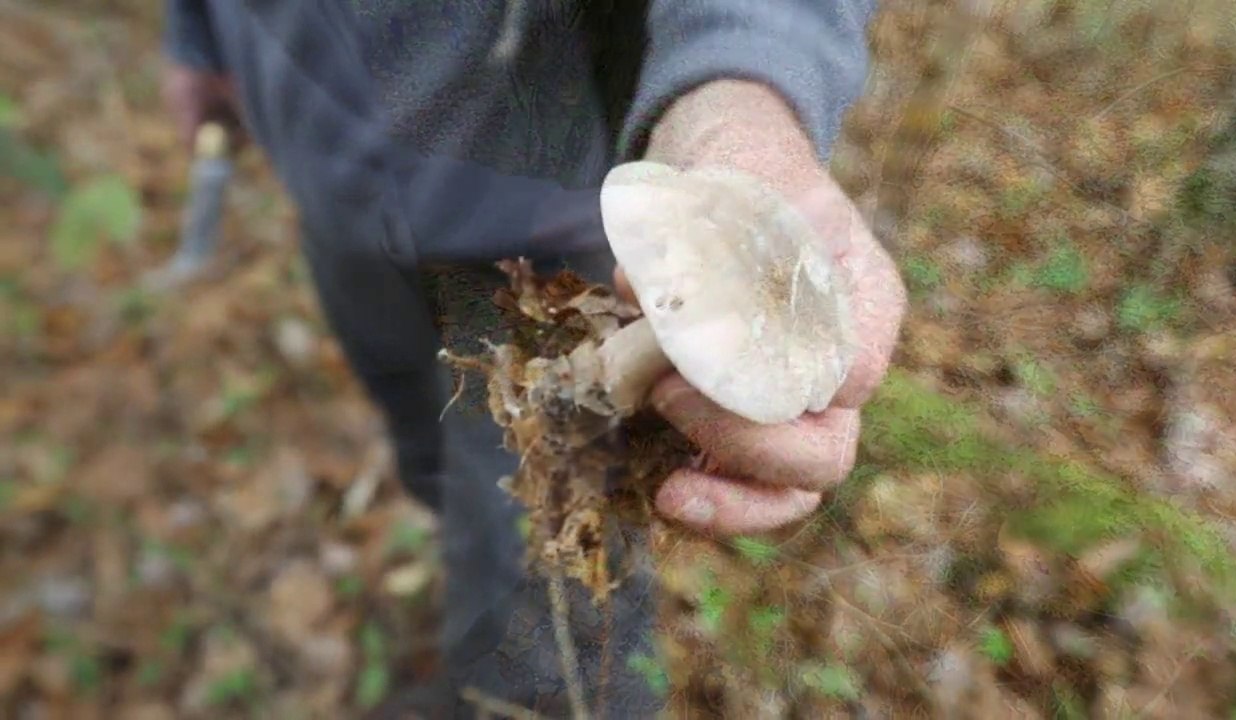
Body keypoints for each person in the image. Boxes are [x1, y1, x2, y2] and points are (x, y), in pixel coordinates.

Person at [162, 1, 905, 716]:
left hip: (535, 236)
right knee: (439, 457)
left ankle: (555, 694)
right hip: (340, 209)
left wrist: (737, 90)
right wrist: (198, 36)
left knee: (545, 538)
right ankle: (475, 621)